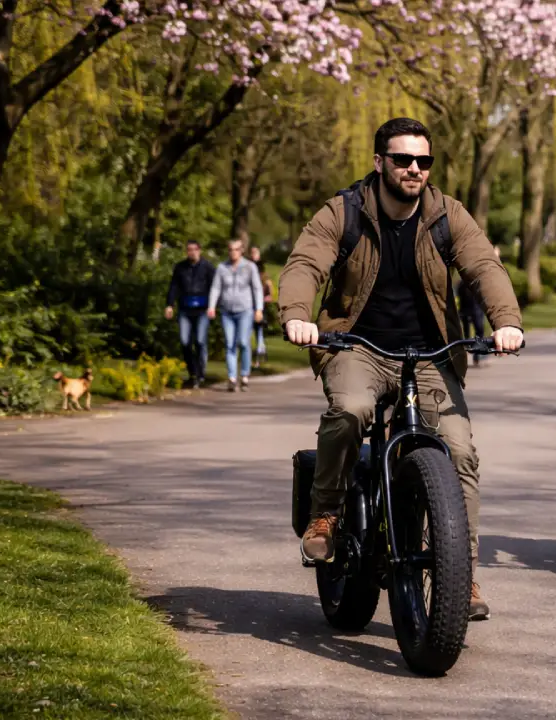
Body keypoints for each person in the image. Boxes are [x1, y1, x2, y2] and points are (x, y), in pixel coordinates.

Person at [278, 117, 522, 621]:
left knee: (459, 450)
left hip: (430, 354)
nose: (414, 169)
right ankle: (326, 514)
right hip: (356, 346)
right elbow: (306, 263)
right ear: (379, 162)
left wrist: (507, 322)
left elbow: (483, 266)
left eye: (423, 161)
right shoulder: (344, 211)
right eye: (403, 159)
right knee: (351, 410)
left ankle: (462, 572)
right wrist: (298, 315)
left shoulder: (446, 215)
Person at [208, 240, 264, 392]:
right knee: (230, 344)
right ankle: (232, 378)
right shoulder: (222, 267)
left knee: (244, 342)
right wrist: (211, 306)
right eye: (230, 249)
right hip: (227, 311)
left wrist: (259, 309)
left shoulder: (249, 267)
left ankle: (244, 375)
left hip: (245, 310)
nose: (233, 252)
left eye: (236, 249)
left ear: (242, 251)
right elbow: (216, 288)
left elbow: (257, 288)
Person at [164, 240, 216, 388]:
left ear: (199, 250)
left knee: (200, 341)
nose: (192, 252)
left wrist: (213, 306)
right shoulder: (180, 267)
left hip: (202, 310)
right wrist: (169, 305)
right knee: (185, 341)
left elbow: (214, 287)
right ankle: (192, 372)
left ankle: (200, 373)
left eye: (194, 249)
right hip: (185, 309)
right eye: (189, 250)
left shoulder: (207, 267)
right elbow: (174, 286)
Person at [249, 246, 276, 369]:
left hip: (259, 306)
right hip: (249, 305)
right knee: (251, 331)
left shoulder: (263, 274)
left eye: (255, 252)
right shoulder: (248, 268)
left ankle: (259, 354)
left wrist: (268, 297)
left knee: (258, 330)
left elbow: (269, 286)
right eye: (252, 252)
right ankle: (256, 355)